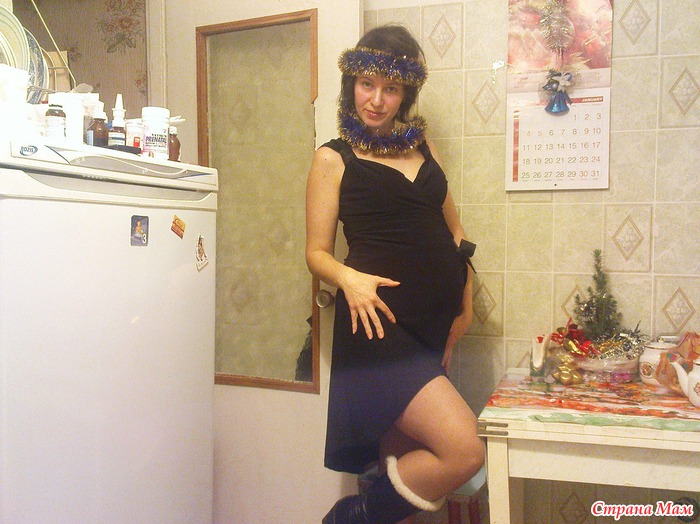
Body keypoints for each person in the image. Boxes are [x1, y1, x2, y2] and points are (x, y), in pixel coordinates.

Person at [305, 24, 484, 524]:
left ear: (406, 93)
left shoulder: (422, 146)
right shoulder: (332, 158)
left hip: (432, 327)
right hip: (380, 328)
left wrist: (465, 306)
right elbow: (316, 253)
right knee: (464, 450)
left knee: (403, 462)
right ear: (351, 84)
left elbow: (455, 233)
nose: (377, 100)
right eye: (367, 84)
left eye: (391, 88)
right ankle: (352, 515)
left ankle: (371, 510)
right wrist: (349, 278)